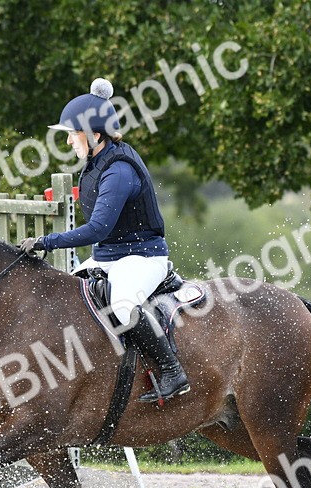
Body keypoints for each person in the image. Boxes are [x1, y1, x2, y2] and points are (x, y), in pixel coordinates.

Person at [17, 78, 190, 404]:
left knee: (123, 307)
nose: (68, 141)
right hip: (108, 257)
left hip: (142, 258)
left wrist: (46, 241)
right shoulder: (96, 162)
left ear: (94, 134)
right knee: (64, 300)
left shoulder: (119, 170)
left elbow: (96, 229)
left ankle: (172, 372)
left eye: (72, 134)